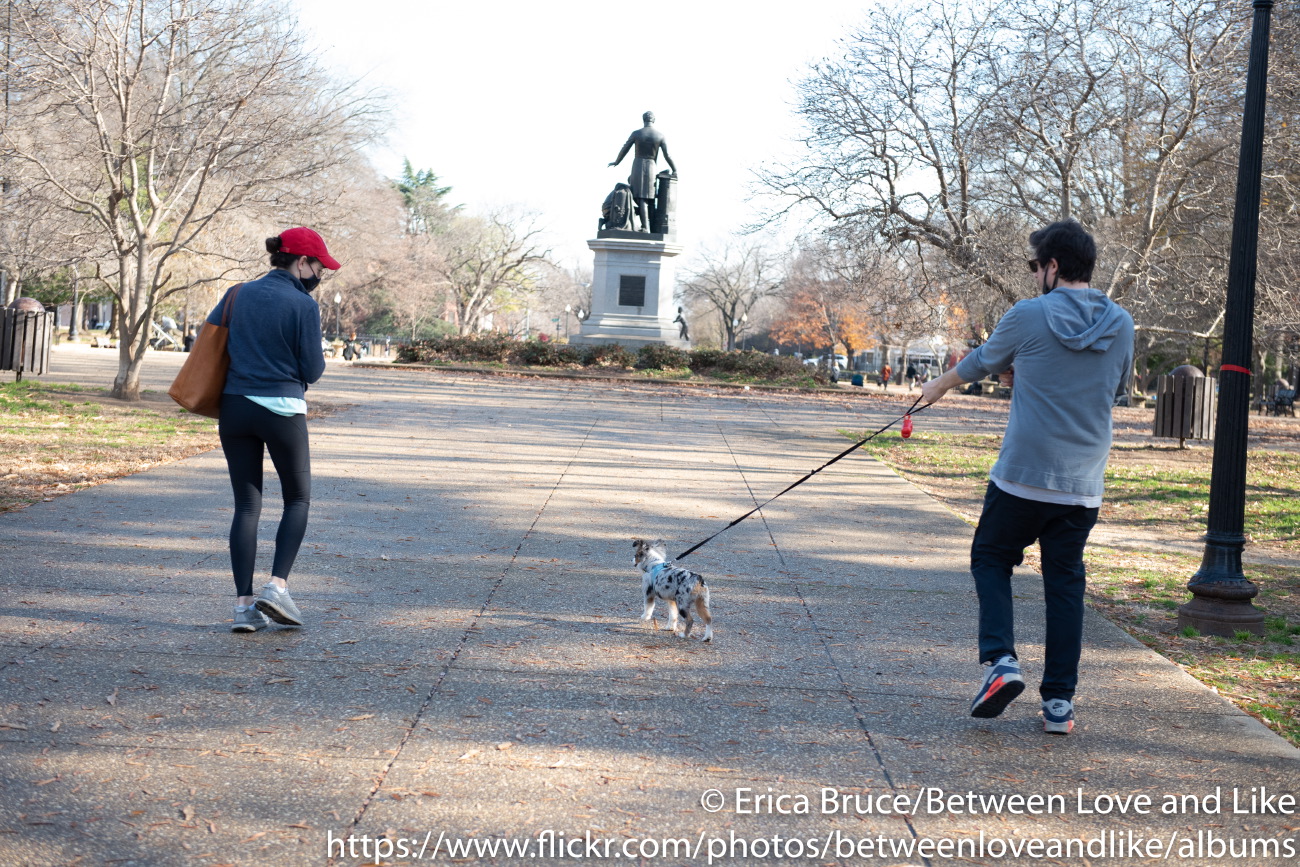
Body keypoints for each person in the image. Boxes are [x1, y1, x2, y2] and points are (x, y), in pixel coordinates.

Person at [920, 219, 1133, 735]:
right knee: (1065, 585)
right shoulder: (1122, 323)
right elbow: (1114, 390)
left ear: (1053, 266)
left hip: (1022, 476)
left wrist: (937, 387)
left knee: (991, 558)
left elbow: (981, 362)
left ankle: (1001, 661)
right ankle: (1059, 704)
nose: (1034, 274)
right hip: (1082, 483)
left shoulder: (1028, 314)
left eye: (1035, 265)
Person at [215, 227, 337, 633]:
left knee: (246, 507)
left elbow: (212, 342)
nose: (320, 275)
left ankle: (243, 608)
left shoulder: (237, 293)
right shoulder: (302, 304)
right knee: (297, 499)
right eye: (319, 267)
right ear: (301, 262)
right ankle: (277, 587)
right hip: (281, 409)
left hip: (235, 407)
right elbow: (313, 370)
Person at [609, 111, 677, 233]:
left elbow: (625, 148)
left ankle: (646, 227)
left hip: (638, 165)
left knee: (641, 198)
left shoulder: (637, 133)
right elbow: (667, 155)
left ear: (643, 119)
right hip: (651, 166)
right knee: (649, 198)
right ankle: (649, 227)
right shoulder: (660, 136)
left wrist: (617, 161)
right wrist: (674, 169)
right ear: (653, 120)